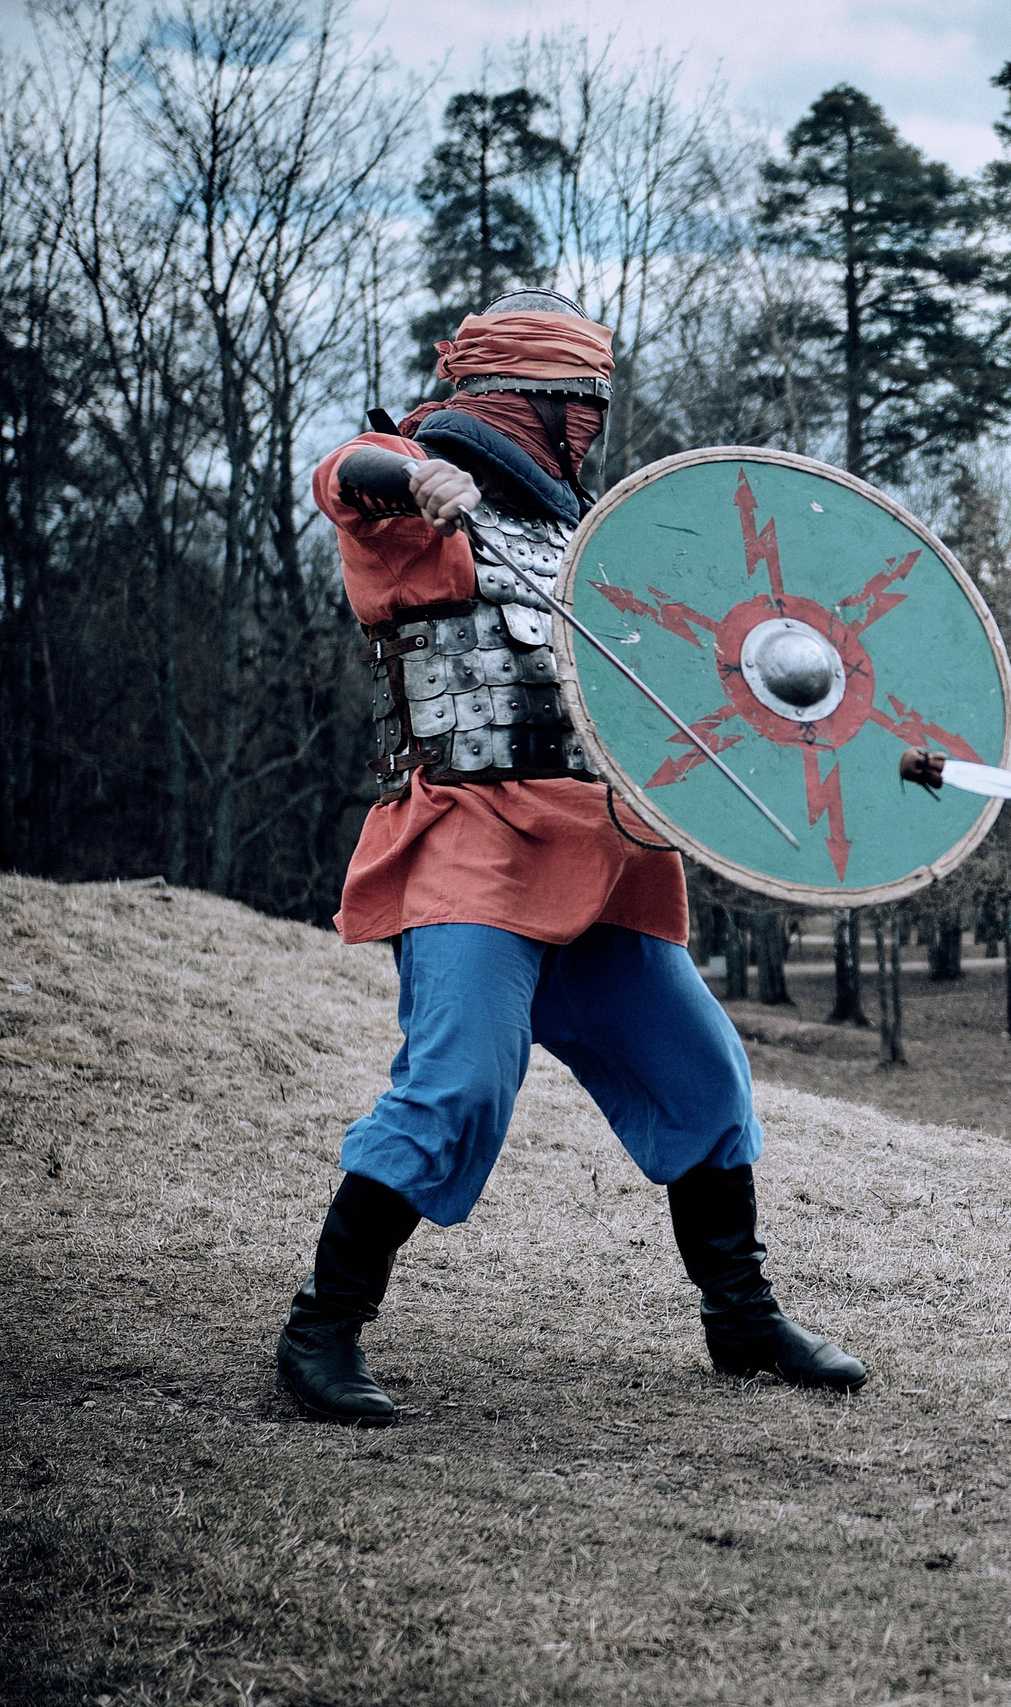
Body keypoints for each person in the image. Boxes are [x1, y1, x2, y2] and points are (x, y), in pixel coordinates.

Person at [276, 290, 866, 1425]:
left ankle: (739, 1321)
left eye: (596, 405)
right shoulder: (411, 504)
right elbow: (347, 470)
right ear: (522, 402)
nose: (591, 426)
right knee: (457, 1087)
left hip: (601, 850)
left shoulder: (581, 538)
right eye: (577, 405)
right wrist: (420, 474)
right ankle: (322, 1329)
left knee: (704, 1076)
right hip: (473, 844)